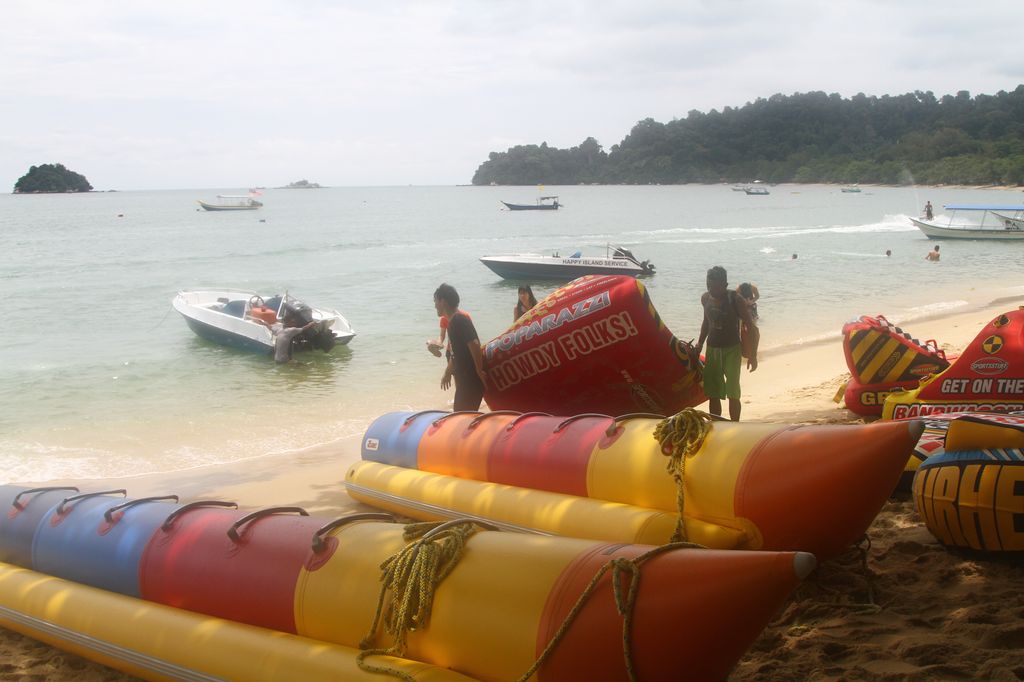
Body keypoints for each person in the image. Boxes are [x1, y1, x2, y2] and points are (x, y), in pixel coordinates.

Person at [696, 266, 758, 422]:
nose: (711, 290)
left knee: (733, 392)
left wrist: (753, 355)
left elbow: (751, 327)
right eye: (708, 285)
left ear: (725, 284)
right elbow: (706, 323)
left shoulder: (736, 300)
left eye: (715, 287)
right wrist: (699, 344)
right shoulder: (705, 298)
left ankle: (735, 424)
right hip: (712, 350)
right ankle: (716, 424)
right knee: (713, 393)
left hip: (732, 350)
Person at [434, 283, 487, 411]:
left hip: (471, 381)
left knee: (462, 416)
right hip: (466, 382)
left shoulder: (459, 320)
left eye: (435, 301)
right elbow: (455, 353)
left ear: (443, 301)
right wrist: (447, 372)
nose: (435, 305)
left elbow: (474, 344)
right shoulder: (452, 323)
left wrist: (479, 371)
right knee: (462, 415)